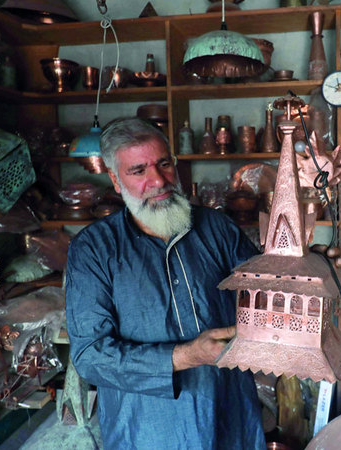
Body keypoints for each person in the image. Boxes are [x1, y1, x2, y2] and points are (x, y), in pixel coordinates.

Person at [65, 117, 265, 449]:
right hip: (148, 427)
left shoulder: (217, 227)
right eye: (138, 170)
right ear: (115, 180)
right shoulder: (93, 249)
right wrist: (187, 356)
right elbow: (90, 356)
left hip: (229, 411)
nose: (158, 180)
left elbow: (261, 290)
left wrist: (297, 264)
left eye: (164, 164)